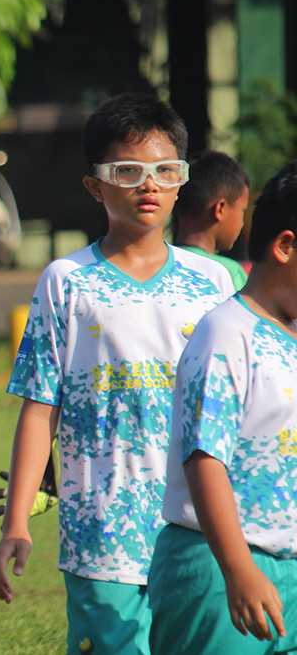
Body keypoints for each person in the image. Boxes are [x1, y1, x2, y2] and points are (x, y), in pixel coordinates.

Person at [0, 93, 236, 654]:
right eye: (128, 170)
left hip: (199, 528)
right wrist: (17, 525)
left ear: (181, 182)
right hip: (102, 529)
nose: (148, 184)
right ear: (95, 185)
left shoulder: (215, 284)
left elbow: (238, 408)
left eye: (164, 170)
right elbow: (39, 408)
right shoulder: (65, 282)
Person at [150, 160, 297, 653]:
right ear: (285, 246)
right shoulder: (226, 333)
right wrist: (238, 570)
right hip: (218, 567)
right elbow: (204, 458)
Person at [174, 149, 251, 291]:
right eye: (242, 210)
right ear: (220, 209)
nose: (242, 223)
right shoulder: (228, 272)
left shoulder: (160, 265)